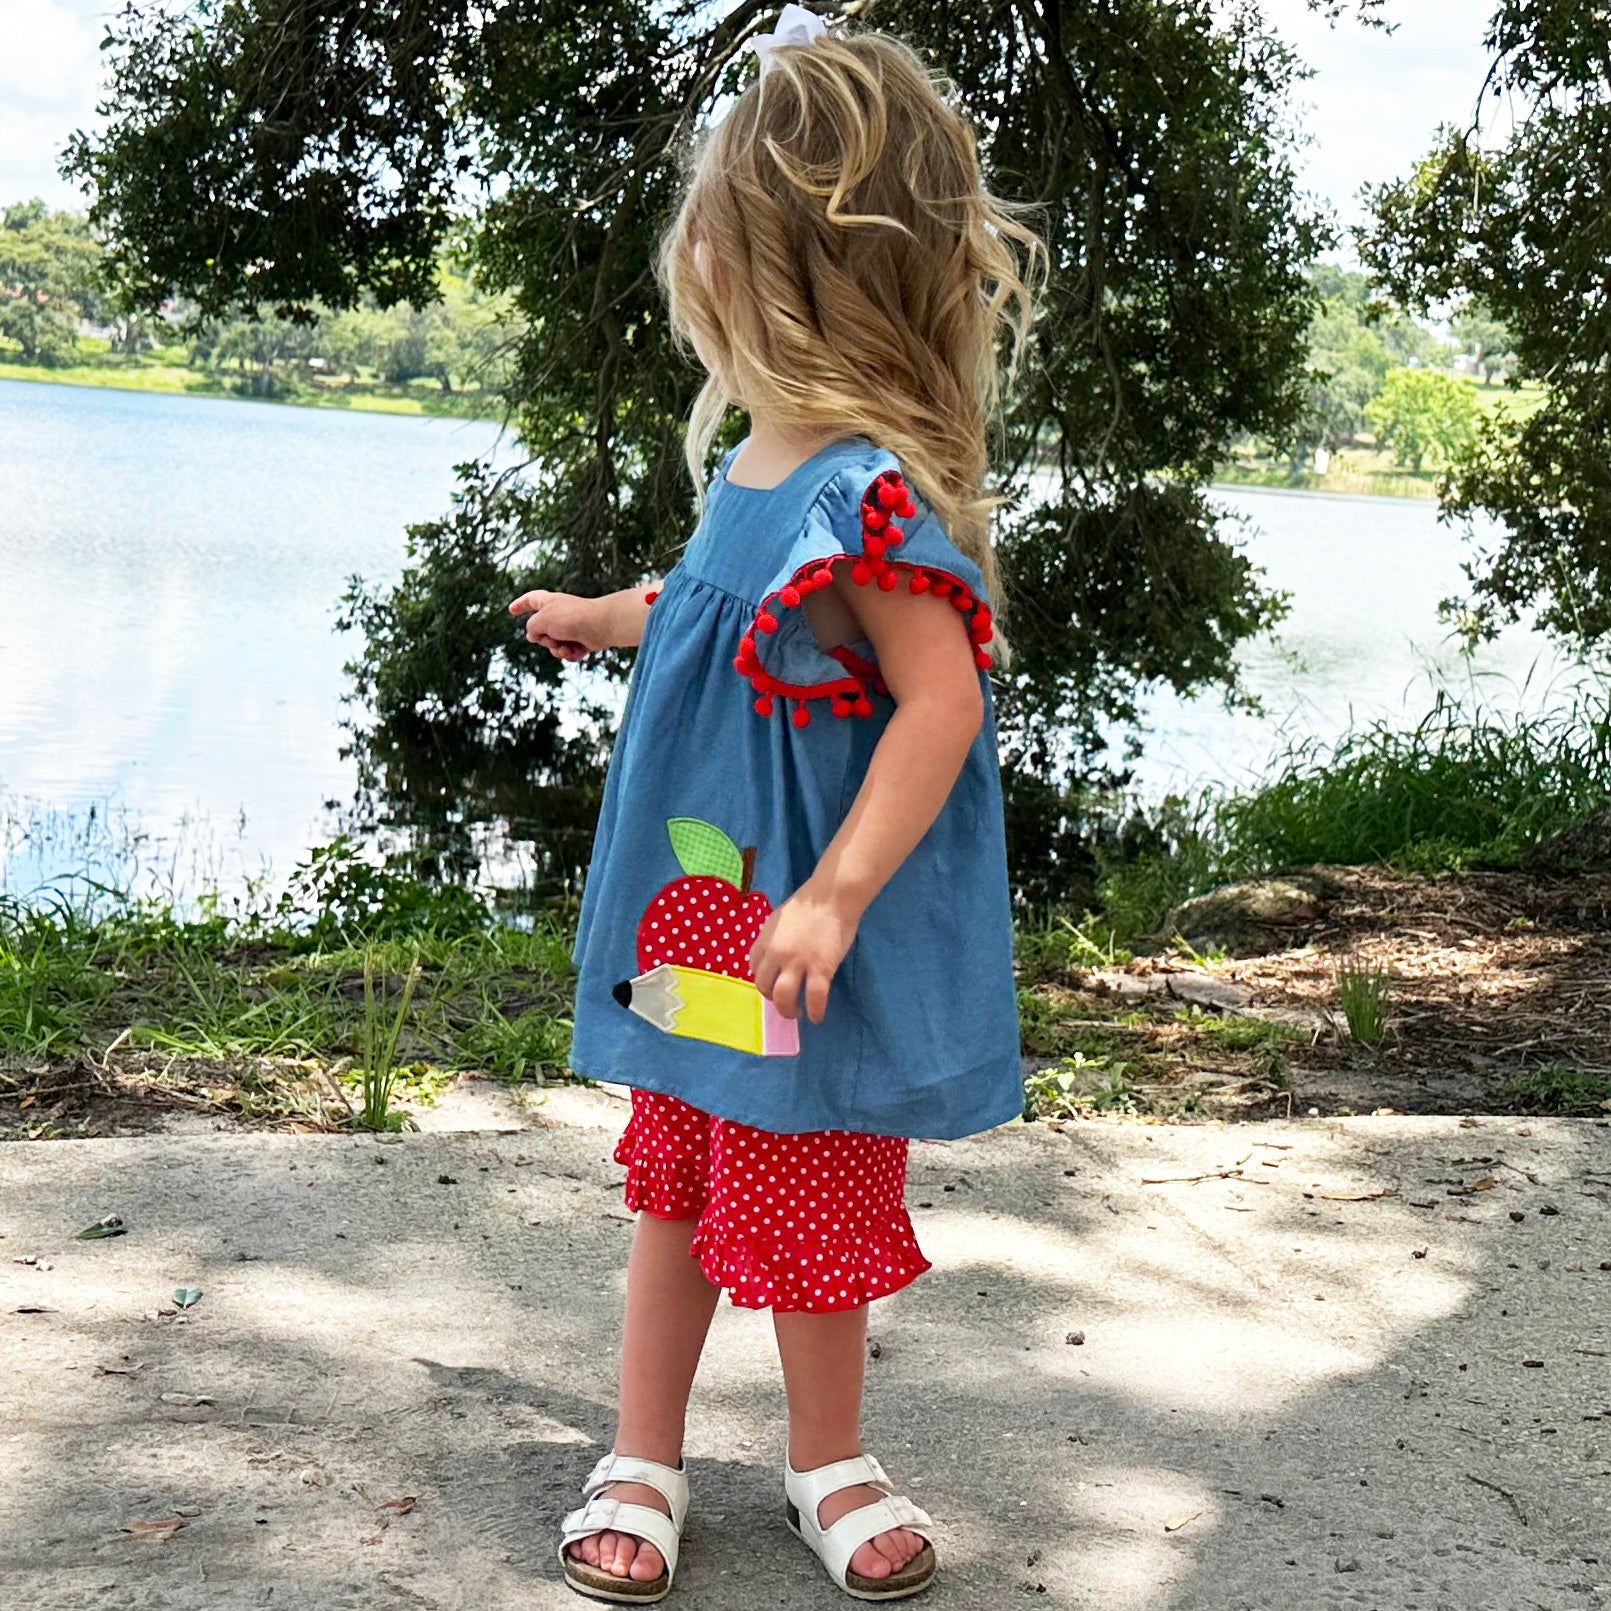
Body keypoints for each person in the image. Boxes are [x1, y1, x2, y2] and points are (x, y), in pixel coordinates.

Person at [508, 5, 1045, 1601]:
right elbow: (707, 604)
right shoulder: (752, 465)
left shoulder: (864, 496)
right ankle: (644, 1449)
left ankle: (828, 1458)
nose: (691, 263)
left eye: (710, 237)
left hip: (803, 948)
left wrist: (835, 894)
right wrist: (609, 616)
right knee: (675, 1183)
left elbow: (943, 700)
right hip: (708, 935)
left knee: (814, 1194)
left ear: (767, 270)